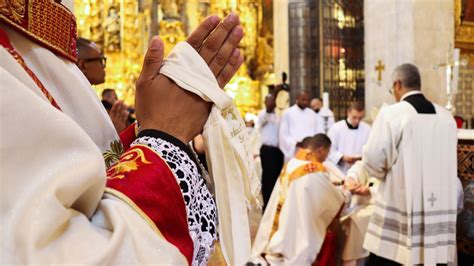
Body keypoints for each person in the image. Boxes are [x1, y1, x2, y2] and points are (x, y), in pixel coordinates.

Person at [1, 4, 247, 264]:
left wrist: (150, 128)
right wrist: (165, 139)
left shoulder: (36, 32)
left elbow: (90, 174)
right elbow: (55, 251)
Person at [361, 64, 458, 265]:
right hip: (437, 208)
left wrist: (382, 178)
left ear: (397, 84)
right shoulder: (446, 118)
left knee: (397, 255)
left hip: (400, 205)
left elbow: (373, 159)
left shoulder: (392, 114)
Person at [251, 134, 346, 265]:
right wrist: (344, 193)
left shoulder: (293, 162)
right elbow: (330, 196)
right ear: (321, 150)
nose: (326, 157)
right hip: (297, 220)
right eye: (327, 152)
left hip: (284, 215)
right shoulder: (314, 169)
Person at [77, 38, 129, 132]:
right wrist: (115, 131)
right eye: (101, 60)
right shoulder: (78, 101)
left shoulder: (88, 97)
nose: (103, 67)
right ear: (83, 65)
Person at [279, 90, 325, 161]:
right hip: (294, 151)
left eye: (307, 100)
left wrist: (312, 142)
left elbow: (319, 131)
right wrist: (295, 143)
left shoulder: (312, 114)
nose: (305, 102)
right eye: (303, 100)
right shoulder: (288, 113)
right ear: (297, 99)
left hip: (310, 150)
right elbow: (283, 134)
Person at [327, 101, 371, 174]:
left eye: (360, 118)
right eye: (354, 117)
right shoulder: (336, 128)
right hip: (340, 169)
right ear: (348, 113)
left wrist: (362, 157)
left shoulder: (367, 129)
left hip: (359, 169)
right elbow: (330, 149)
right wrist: (342, 157)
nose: (357, 121)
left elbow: (369, 148)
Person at [257, 94, 284, 210]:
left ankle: (274, 205)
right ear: (265, 102)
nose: (272, 103)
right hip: (267, 150)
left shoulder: (279, 116)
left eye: (273, 100)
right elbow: (268, 111)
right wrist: (276, 91)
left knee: (276, 178)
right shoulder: (263, 114)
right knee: (268, 179)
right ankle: (267, 206)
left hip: (278, 151)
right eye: (269, 101)